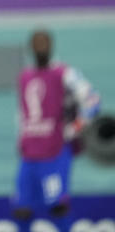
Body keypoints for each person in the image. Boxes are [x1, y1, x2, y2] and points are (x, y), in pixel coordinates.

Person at [13, 30, 100, 229]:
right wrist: (21, 138)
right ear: (30, 48)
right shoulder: (25, 76)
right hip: (30, 152)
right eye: (37, 43)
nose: (40, 47)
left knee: (57, 207)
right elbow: (22, 112)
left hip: (56, 151)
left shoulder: (64, 73)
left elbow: (93, 100)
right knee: (22, 210)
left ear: (51, 46)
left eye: (44, 43)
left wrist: (73, 128)